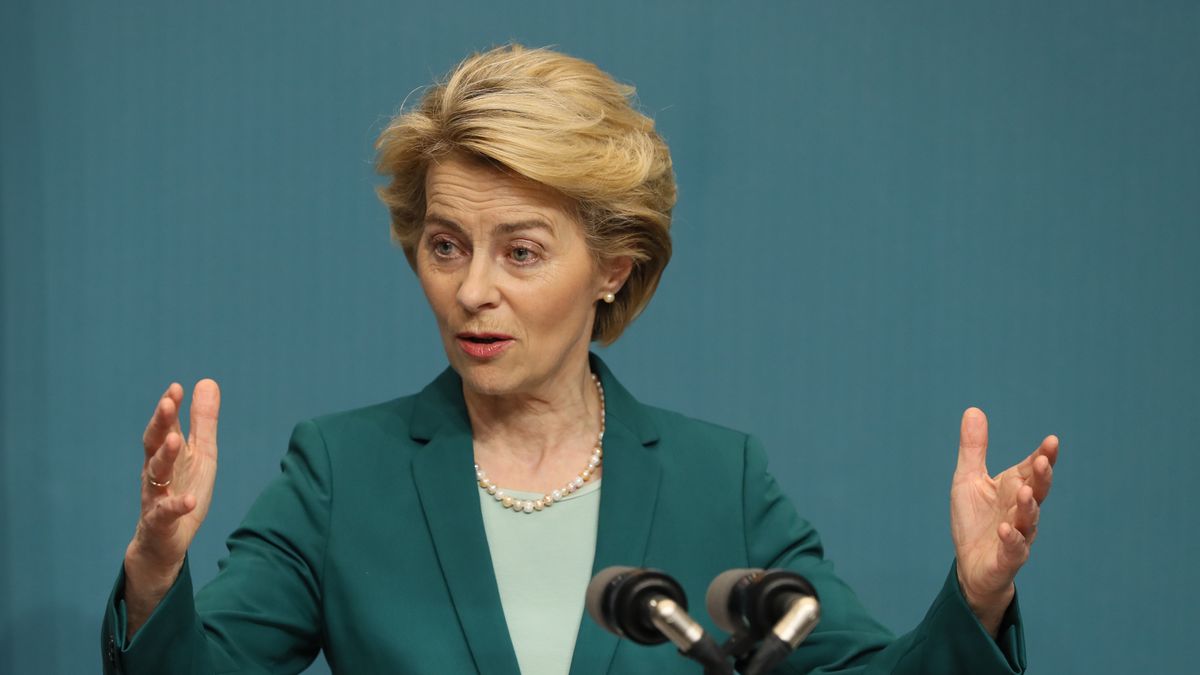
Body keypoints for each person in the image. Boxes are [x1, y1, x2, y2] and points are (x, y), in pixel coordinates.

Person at [101, 44, 1058, 675]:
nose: (473, 289)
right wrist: (154, 575)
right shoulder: (340, 475)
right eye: (445, 245)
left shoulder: (719, 482)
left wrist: (976, 598)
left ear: (611, 267)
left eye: (520, 251)